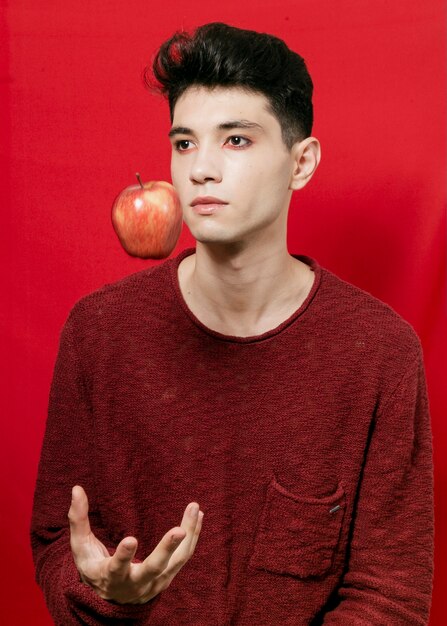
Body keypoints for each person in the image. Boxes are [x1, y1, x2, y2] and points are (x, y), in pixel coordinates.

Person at [31, 22, 434, 625]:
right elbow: (55, 541)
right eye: (185, 143)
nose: (201, 170)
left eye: (237, 141)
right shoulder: (99, 332)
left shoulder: (378, 352)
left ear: (302, 163)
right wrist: (108, 594)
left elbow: (389, 593)